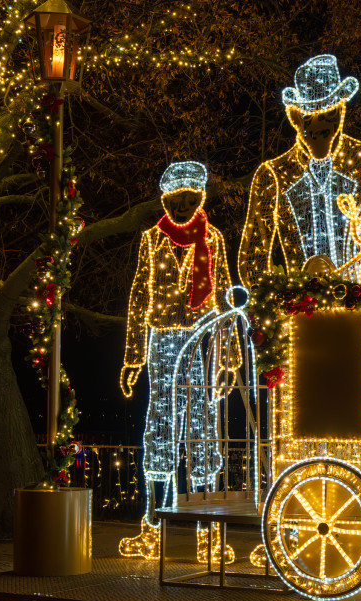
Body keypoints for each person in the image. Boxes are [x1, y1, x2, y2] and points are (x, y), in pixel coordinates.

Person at [118, 161, 234, 561]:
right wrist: (133, 358)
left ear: (200, 199)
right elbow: (138, 295)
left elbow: (222, 302)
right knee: (160, 424)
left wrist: (227, 358)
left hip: (201, 340)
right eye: (175, 200)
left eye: (190, 200)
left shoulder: (213, 239)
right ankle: (153, 523)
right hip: (162, 339)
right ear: (165, 200)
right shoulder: (153, 240)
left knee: (202, 430)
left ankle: (207, 531)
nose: (183, 207)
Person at [238, 54, 361, 287]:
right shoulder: (274, 174)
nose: (320, 127)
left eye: (329, 114)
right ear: (295, 117)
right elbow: (253, 256)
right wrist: (273, 301)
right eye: (310, 117)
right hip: (302, 308)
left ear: (341, 111)